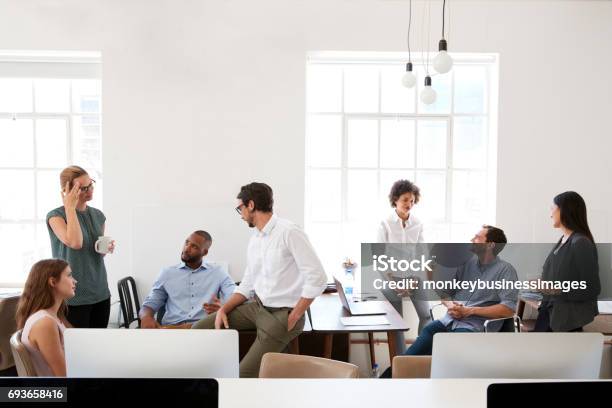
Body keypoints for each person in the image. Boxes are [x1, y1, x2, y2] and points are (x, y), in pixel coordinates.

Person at [192, 182, 328, 377]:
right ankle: (210, 378)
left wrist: (295, 315)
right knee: (199, 328)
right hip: (257, 308)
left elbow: (318, 277)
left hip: (282, 315)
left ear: (251, 205)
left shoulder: (289, 231)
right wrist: (224, 309)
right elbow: (248, 281)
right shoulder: (256, 237)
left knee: (244, 374)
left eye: (240, 208)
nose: (240, 214)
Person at [380, 225, 518, 378]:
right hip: (448, 321)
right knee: (406, 360)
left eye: (477, 237)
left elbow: (508, 308)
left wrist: (469, 311)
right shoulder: (468, 264)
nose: (472, 239)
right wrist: (451, 305)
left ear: (490, 245)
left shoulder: (506, 271)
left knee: (444, 364)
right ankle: (383, 383)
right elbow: (445, 293)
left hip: (473, 329)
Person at [46, 166, 113, 328]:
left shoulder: (98, 215)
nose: (89, 190)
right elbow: (75, 243)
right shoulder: (56, 216)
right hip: (73, 295)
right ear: (66, 190)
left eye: (91, 184)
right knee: (78, 348)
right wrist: (70, 208)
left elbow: (96, 253)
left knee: (99, 345)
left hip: (100, 291)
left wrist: (106, 248)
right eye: (83, 188)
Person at [139, 230, 236, 328]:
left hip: (203, 328)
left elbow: (234, 296)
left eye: (194, 246)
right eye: (186, 243)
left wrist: (223, 308)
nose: (186, 249)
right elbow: (151, 303)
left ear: (204, 252)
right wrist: (146, 316)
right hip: (171, 329)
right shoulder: (167, 273)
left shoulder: (217, 272)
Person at [533, 191, 600, 332]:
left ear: (564, 210)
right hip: (550, 313)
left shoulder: (580, 243)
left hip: (566, 320)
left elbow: (592, 288)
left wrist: (556, 290)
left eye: (552, 209)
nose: (550, 214)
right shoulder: (563, 240)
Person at [376, 179, 429, 354]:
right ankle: (400, 361)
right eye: (405, 200)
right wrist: (394, 282)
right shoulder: (385, 224)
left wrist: (414, 280)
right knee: (397, 322)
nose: (409, 204)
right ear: (396, 199)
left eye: (412, 201)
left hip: (414, 277)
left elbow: (422, 254)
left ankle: (419, 356)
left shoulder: (418, 224)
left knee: (426, 316)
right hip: (391, 278)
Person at [15, 259, 77, 376]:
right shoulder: (45, 323)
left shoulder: (52, 316)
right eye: (69, 275)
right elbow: (63, 376)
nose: (75, 281)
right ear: (53, 282)